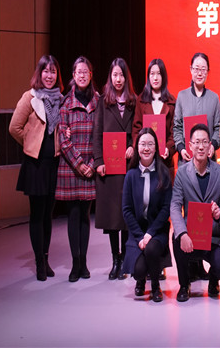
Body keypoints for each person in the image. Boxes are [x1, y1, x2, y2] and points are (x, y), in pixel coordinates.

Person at [9, 55, 63, 281]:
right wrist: (31, 142)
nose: (49, 76)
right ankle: (39, 261)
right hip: (35, 164)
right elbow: (14, 127)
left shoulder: (60, 99)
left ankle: (46, 258)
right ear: (39, 73)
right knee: (37, 214)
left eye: (53, 71)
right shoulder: (29, 97)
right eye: (46, 71)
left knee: (49, 214)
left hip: (54, 163)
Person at [170, 124, 220, 302]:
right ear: (190, 145)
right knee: (176, 237)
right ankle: (184, 285)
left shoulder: (219, 172)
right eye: (197, 142)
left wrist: (219, 213)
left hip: (212, 236)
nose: (201, 146)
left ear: (210, 145)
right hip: (191, 234)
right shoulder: (182, 173)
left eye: (205, 142)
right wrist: (182, 233)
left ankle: (213, 280)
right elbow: (175, 205)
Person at [55, 56, 100, 282]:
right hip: (71, 168)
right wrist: (79, 164)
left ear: (91, 75)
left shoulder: (98, 101)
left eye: (85, 72)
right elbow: (62, 138)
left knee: (85, 215)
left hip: (91, 166)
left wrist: (91, 165)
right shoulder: (65, 103)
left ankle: (84, 262)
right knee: (73, 215)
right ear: (73, 75)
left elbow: (102, 135)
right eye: (78, 72)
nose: (82, 75)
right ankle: (75, 263)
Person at [93, 58, 136, 280]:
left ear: (126, 78)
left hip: (127, 165)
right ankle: (115, 259)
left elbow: (138, 129)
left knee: (125, 215)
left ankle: (126, 258)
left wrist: (133, 146)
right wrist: (98, 161)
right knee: (111, 218)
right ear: (110, 77)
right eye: (115, 75)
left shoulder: (133, 102)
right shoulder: (103, 101)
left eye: (121, 75)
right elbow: (97, 132)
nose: (118, 79)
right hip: (109, 167)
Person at [122, 128, 173, 303]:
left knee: (151, 249)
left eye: (150, 144)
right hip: (137, 232)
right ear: (137, 147)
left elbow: (166, 208)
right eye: (143, 144)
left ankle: (156, 286)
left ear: (156, 147)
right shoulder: (130, 175)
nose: (146, 148)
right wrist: (140, 237)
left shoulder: (163, 173)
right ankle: (141, 280)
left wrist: (150, 234)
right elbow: (126, 210)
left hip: (157, 230)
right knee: (138, 271)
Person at [173, 52, 220, 165]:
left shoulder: (214, 98)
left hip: (208, 160)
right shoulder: (182, 96)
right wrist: (181, 148)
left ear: (208, 72)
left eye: (203, 69)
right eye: (196, 69)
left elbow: (219, 128)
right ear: (191, 69)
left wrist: (213, 145)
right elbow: (177, 127)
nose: (200, 73)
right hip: (186, 159)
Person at [132, 58, 176, 178]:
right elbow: (136, 129)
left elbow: (174, 132)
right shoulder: (141, 101)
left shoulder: (172, 102)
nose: (155, 78)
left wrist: (168, 149)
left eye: (159, 74)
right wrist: (141, 148)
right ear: (148, 77)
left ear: (164, 76)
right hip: (144, 162)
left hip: (165, 163)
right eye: (152, 74)